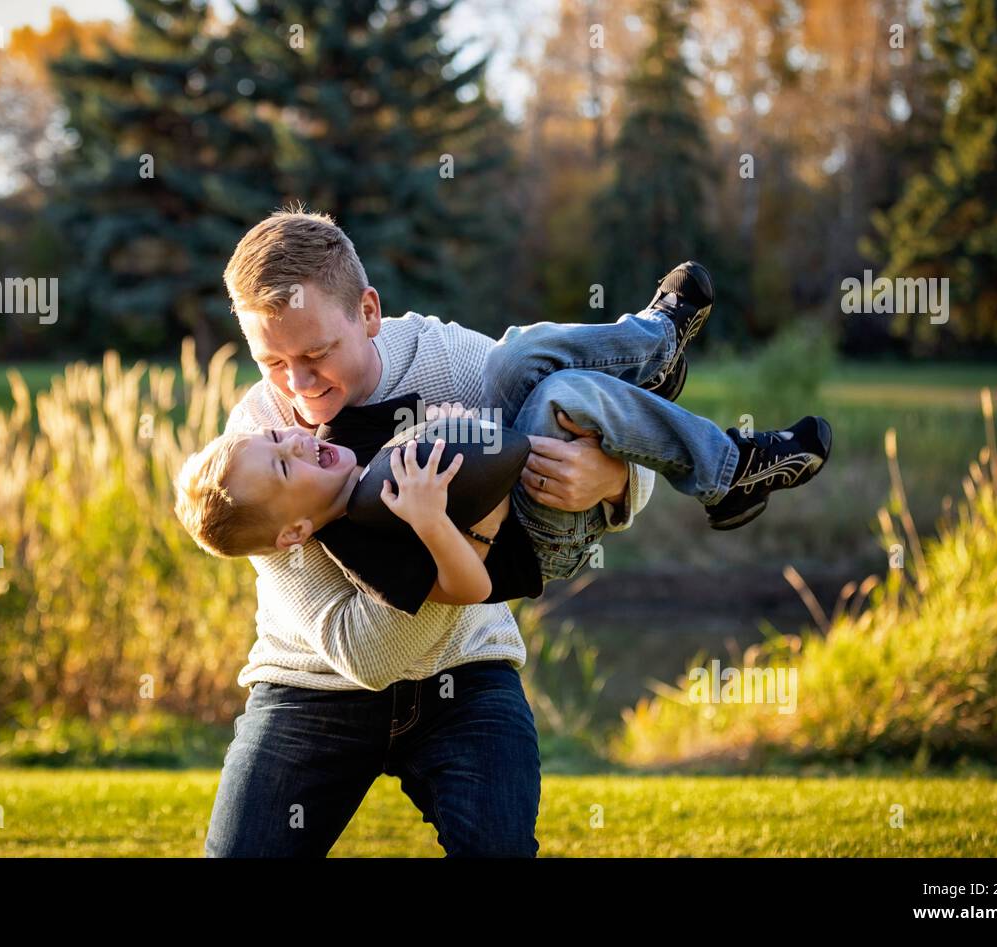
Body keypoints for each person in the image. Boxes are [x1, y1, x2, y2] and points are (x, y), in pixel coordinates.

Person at [178, 206, 654, 857]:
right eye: (273, 360)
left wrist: (612, 477)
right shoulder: (260, 443)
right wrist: (473, 531)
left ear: (368, 312)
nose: (298, 385)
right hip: (312, 688)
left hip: (468, 672)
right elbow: (368, 654)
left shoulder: (455, 362)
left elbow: (614, 427)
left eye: (317, 352)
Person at [179, 262, 832, 618]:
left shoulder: (338, 430)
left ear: (367, 312)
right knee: (562, 397)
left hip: (518, 461)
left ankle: (653, 344)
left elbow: (465, 424)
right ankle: (726, 469)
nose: (296, 440)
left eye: (278, 440)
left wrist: (614, 476)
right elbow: (467, 590)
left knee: (516, 357)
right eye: (287, 467)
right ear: (294, 530)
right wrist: (441, 522)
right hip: (534, 536)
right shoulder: (356, 543)